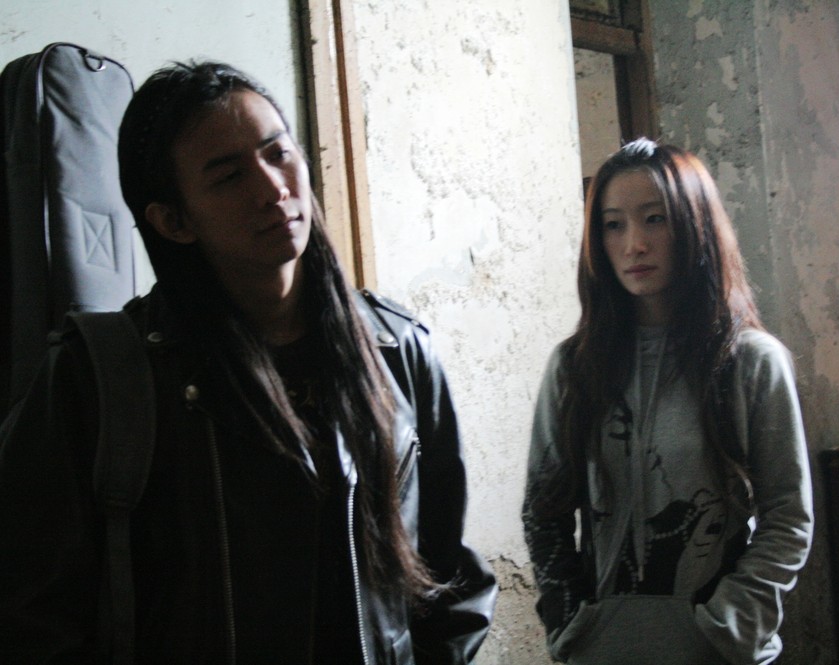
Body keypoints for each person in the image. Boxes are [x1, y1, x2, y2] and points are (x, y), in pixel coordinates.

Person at [0, 61, 496, 663]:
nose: (272, 188)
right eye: (229, 176)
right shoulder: (101, 376)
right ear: (173, 220)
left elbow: (449, 575)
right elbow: (32, 612)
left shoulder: (396, 349)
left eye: (278, 153)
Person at [522, 139, 813, 664]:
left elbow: (788, 517)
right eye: (613, 225)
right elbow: (544, 513)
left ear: (694, 225)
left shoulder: (750, 361)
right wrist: (570, 623)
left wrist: (730, 623)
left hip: (720, 651)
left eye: (654, 219)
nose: (634, 244)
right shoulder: (573, 367)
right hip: (604, 650)